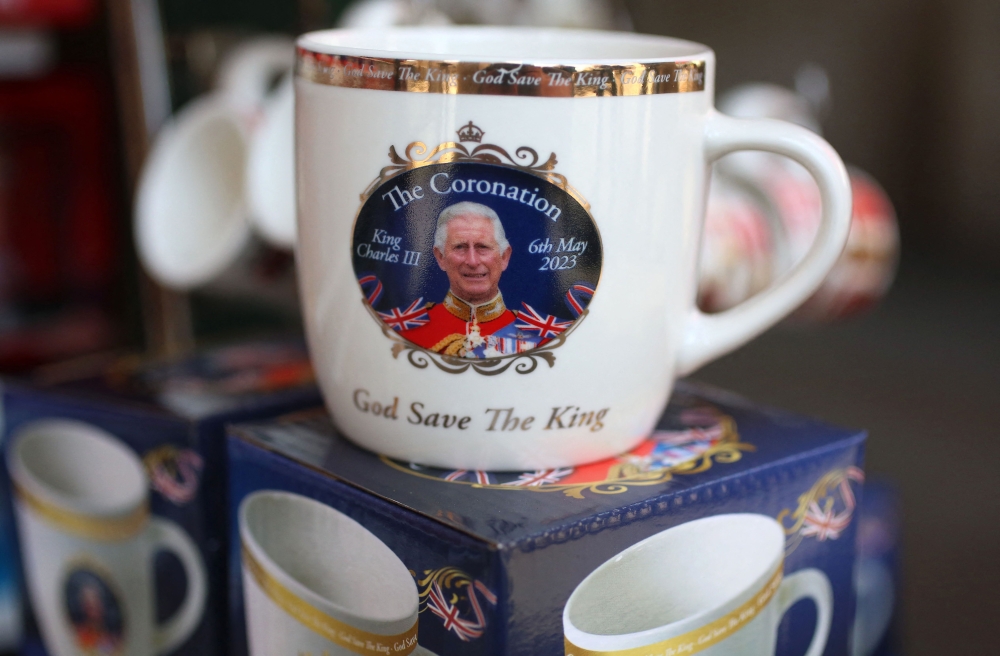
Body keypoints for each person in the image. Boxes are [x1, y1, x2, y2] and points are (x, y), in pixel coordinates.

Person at [400, 201, 542, 358]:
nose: (472, 261)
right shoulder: (405, 330)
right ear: (440, 257)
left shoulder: (539, 334)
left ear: (504, 257)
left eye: (483, 247)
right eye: (460, 247)